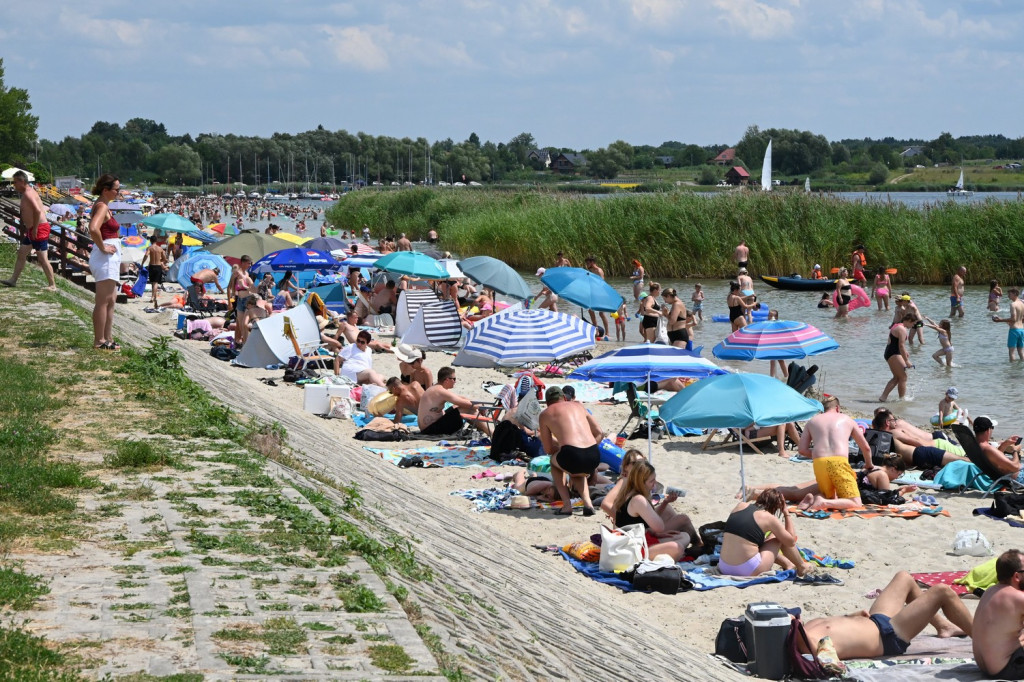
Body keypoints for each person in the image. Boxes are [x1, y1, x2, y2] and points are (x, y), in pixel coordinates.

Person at [800, 570, 972, 661]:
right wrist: (794, 626)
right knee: (942, 591)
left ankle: (943, 626)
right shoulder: (807, 642)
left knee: (903, 577)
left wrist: (850, 616)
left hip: (875, 620)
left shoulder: (803, 629)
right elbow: (823, 656)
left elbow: (836, 629)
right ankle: (982, 638)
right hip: (888, 636)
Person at [600, 449, 700, 552]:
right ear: (626, 466)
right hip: (633, 535)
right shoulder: (627, 482)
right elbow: (605, 504)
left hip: (637, 528)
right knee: (683, 520)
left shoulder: (638, 482)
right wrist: (624, 520)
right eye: (635, 463)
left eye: (642, 460)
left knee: (668, 509)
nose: (639, 464)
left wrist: (664, 502)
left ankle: (684, 539)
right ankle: (698, 544)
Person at [797, 394, 873, 511]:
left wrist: (819, 454)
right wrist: (869, 464)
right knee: (856, 502)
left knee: (831, 496)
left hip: (819, 462)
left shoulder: (812, 421)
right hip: (838, 462)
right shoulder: (847, 419)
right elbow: (866, 448)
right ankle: (822, 503)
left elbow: (802, 450)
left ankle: (813, 499)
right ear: (837, 408)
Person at [538, 385, 605, 517]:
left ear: (547, 403)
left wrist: (561, 448)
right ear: (564, 397)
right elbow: (600, 433)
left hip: (573, 455)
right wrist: (587, 448)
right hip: (594, 455)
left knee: (554, 462)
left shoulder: (545, 414)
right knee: (576, 473)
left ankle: (567, 505)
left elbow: (548, 449)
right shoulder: (578, 405)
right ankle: (588, 504)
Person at [718, 489, 811, 578]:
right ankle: (802, 566)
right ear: (776, 507)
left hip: (724, 567)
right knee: (778, 537)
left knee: (754, 542)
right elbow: (791, 541)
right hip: (747, 571)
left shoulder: (740, 506)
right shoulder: (768, 517)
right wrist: (786, 514)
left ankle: (787, 564)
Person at [608, 460, 690, 561]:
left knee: (684, 536)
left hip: (629, 543)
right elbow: (659, 527)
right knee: (678, 548)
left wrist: (664, 503)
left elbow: (638, 523)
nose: (654, 484)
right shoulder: (638, 499)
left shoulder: (626, 493)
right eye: (652, 481)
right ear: (641, 483)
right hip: (630, 551)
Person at [86, 174, 124, 350]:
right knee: (103, 300)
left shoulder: (104, 206)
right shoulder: (101, 206)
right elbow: (93, 228)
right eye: (116, 189)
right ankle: (99, 340)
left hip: (109, 256)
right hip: (105, 256)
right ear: (106, 190)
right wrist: (103, 247)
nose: (119, 192)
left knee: (111, 300)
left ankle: (107, 337)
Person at [2, 170, 57, 291]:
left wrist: (35, 228)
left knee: (42, 258)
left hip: (39, 228)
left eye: (15, 182)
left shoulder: (28, 193)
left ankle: (52, 285)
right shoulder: (27, 192)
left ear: (22, 181)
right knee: (22, 253)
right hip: (33, 229)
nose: (14, 185)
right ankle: (13, 280)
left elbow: (37, 211)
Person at [973, 550, 1024, 679]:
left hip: (985, 666)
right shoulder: (1018, 598)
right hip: (1007, 669)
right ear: (1017, 576)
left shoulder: (990, 591)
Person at [871, 410, 966, 471]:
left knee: (958, 459)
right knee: (961, 458)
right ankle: (978, 464)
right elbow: (917, 442)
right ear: (887, 422)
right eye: (893, 420)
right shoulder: (894, 432)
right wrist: (933, 448)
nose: (895, 423)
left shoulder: (882, 440)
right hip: (923, 451)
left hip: (919, 457)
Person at [418, 366, 490, 436]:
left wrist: (479, 405)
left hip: (430, 427)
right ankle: (491, 432)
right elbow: (461, 402)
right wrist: (479, 407)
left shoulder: (436, 388)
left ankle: (482, 428)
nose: (455, 381)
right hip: (431, 430)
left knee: (458, 407)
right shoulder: (440, 391)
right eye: (454, 379)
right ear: (446, 380)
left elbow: (461, 398)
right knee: (467, 408)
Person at [972, 416, 1024, 482]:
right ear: (988, 430)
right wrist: (1015, 450)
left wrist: (1004, 444)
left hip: (1001, 475)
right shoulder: (988, 448)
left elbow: (995, 457)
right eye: (992, 428)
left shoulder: (975, 446)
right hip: (1018, 477)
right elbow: (1015, 468)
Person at [879, 313, 916, 402]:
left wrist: (904, 352)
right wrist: (906, 361)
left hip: (890, 352)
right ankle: (902, 399)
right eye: (913, 324)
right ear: (909, 321)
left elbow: (895, 341)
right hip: (894, 353)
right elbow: (901, 345)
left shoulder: (897, 325)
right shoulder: (902, 329)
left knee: (897, 377)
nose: (912, 326)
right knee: (903, 377)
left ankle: (883, 397)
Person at [994, 288, 1024, 362]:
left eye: (1009, 294)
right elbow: (1020, 319)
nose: (1008, 296)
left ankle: (1012, 371)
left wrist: (1000, 320)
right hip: (1021, 330)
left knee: (1011, 352)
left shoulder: (1013, 304)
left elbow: (1013, 319)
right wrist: (1005, 321)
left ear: (1015, 294)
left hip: (1014, 331)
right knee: (1021, 351)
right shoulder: (1022, 304)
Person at [584, 256, 610, 337]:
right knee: (590, 310)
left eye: (588, 263)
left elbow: (602, 283)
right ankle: (596, 330)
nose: (587, 265)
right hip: (593, 293)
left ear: (592, 262)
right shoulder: (590, 271)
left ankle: (607, 333)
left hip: (600, 294)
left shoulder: (599, 270)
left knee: (601, 313)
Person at [141, 238, 168, 308]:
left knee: (153, 282)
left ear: (150, 241)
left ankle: (153, 296)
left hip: (152, 266)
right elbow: (165, 258)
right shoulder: (160, 249)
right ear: (156, 241)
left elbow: (146, 255)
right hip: (158, 266)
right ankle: (154, 296)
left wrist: (142, 263)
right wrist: (160, 260)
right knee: (155, 282)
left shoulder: (149, 248)